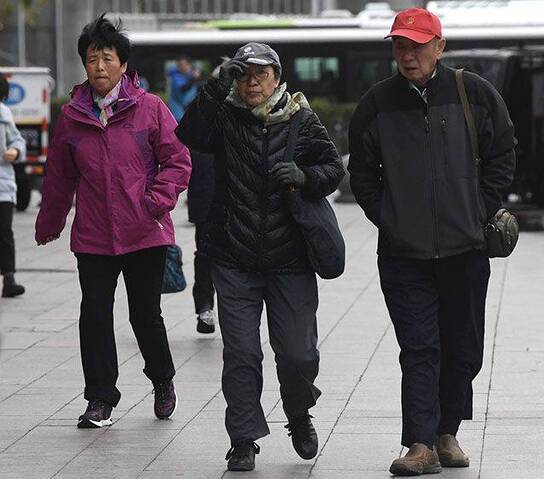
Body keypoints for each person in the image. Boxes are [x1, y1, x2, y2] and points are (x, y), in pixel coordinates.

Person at [348, 8, 516, 476]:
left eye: (417, 46)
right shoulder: (376, 103)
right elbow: (361, 172)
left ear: (439, 47)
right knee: (420, 347)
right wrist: (388, 218)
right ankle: (420, 444)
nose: (407, 55)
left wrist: (480, 210)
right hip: (404, 255)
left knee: (463, 345)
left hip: (466, 250)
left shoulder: (473, 92)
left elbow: (503, 150)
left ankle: (447, 433)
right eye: (400, 46)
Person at [176, 42, 344, 472]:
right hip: (234, 258)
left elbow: (333, 170)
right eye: (244, 73)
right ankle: (243, 439)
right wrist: (214, 86)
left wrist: (305, 177)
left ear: (277, 77)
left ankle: (298, 412)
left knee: (297, 355)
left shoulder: (301, 118)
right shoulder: (224, 117)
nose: (253, 81)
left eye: (261, 73)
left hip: (291, 260)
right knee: (242, 355)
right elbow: (190, 134)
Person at [35, 15, 191, 429]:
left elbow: (177, 161)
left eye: (107, 58)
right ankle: (100, 398)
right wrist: (49, 222)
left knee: (145, 315)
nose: (99, 66)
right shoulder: (72, 115)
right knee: (95, 315)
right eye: (92, 59)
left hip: (144, 231)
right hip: (94, 236)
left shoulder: (150, 108)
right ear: (84, 65)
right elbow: (59, 175)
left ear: (123, 64)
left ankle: (162, 380)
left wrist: (155, 202)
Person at [0, 73, 26, 298]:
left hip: (2, 187)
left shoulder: (3, 115)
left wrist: (15, 151)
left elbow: (17, 140)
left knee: (4, 232)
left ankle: (9, 278)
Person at [187, 149, 217, 334]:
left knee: (234, 259)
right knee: (205, 255)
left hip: (237, 202)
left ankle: (236, 311)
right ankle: (205, 307)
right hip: (205, 200)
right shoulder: (200, 124)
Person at [168, 56, 200, 121]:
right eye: (179, 65)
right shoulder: (175, 75)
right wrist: (194, 78)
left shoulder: (190, 74)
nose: (180, 67)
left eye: (183, 64)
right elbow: (184, 88)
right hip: (178, 112)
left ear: (189, 65)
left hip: (189, 109)